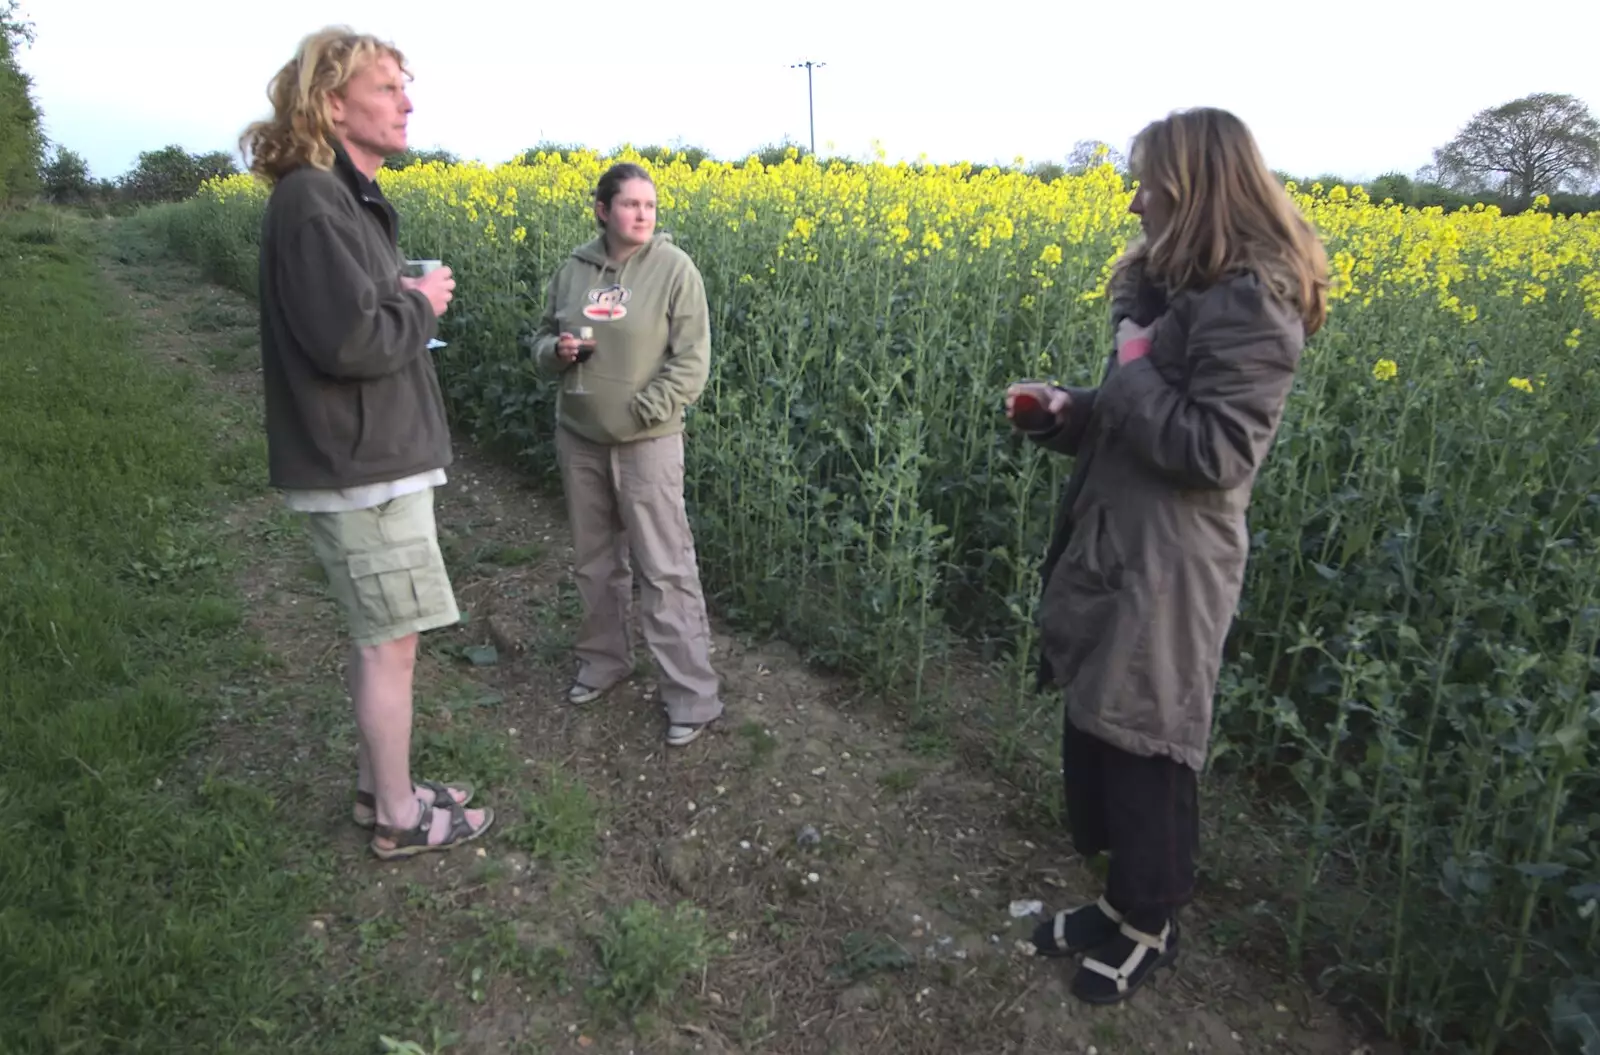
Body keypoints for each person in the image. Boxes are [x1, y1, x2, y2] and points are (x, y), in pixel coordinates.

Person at [1004, 107, 1328, 1004]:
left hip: (1172, 564)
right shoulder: (1177, 290)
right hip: (1120, 543)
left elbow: (1216, 452)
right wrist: (1067, 410)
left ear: (1192, 188)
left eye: (1146, 181)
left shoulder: (1253, 302)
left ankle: (1152, 923)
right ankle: (1118, 902)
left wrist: (1135, 363)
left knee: (1148, 741)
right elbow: (1140, 418)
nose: (1133, 199)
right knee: (1103, 727)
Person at [241, 26, 493, 859]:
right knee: (391, 646)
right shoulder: (314, 199)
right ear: (332, 101)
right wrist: (422, 302)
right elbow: (349, 342)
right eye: (387, 87)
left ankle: (377, 785)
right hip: (362, 466)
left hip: (368, 459)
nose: (407, 102)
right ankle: (398, 814)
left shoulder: (335, 197)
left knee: (383, 637)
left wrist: (403, 302)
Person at [529, 163, 724, 747]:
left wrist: (648, 409)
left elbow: (692, 359)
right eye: (631, 204)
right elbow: (539, 339)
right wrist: (554, 353)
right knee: (594, 562)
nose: (643, 214)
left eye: (651, 205)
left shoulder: (674, 269)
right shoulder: (573, 269)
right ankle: (603, 661)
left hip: (648, 445)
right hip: (580, 438)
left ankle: (692, 696)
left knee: (665, 568)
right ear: (602, 209)